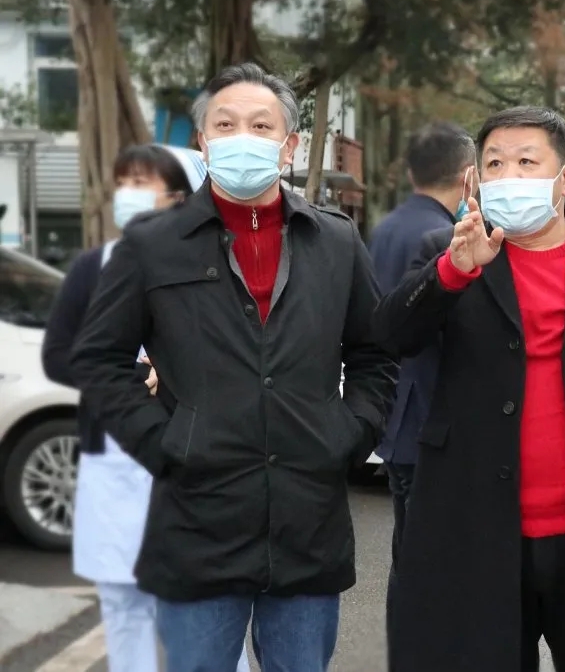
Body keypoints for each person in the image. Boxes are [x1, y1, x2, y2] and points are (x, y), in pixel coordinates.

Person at [70, 62, 398, 672]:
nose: (242, 136)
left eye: (260, 125)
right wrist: (164, 440)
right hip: (197, 523)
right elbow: (99, 358)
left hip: (308, 525)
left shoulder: (335, 241)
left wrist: (350, 434)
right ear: (203, 140)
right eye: (225, 124)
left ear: (289, 144)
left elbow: (374, 355)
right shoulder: (154, 244)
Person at [371, 106, 565, 672]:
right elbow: (391, 336)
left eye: (526, 162)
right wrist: (453, 271)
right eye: (495, 163)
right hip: (476, 524)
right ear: (476, 178)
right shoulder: (448, 250)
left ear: (564, 178)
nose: (509, 175)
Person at [44, 144, 252, 672]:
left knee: (210, 602)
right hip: (113, 456)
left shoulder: (221, 265)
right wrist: (134, 376)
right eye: (124, 183)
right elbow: (61, 354)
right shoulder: (94, 267)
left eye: (143, 183)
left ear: (181, 197)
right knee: (124, 602)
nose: (129, 195)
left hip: (198, 456)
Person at [366, 120, 477, 662]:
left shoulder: (386, 228)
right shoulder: (442, 238)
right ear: (468, 176)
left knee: (407, 556)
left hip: (396, 415)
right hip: (430, 416)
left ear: (412, 173)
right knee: (427, 563)